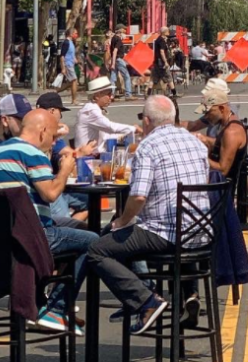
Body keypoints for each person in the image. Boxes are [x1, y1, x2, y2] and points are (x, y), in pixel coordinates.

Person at [87, 96, 211, 335]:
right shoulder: (195, 142)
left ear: (146, 120)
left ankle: (144, 300)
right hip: (201, 232)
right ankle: (164, 297)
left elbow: (139, 197)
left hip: (168, 235)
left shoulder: (149, 145)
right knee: (123, 237)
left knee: (99, 248)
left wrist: (121, 221)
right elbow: (203, 183)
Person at [0, 109, 99, 333]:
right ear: (42, 132)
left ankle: (43, 301)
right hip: (27, 237)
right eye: (53, 137)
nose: (54, 143)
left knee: (77, 229)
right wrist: (64, 170)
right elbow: (51, 194)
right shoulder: (32, 153)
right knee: (95, 242)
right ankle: (57, 306)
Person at [37, 92, 95, 223]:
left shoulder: (51, 131)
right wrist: (81, 153)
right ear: (52, 111)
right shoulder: (40, 132)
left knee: (90, 202)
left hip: (56, 186)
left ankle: (71, 229)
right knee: (69, 222)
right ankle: (65, 231)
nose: (61, 117)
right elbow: (68, 154)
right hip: (46, 190)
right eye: (60, 112)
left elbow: (67, 153)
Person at [75, 77, 141, 151]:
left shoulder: (93, 108)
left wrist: (125, 135)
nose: (111, 97)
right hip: (88, 157)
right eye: (109, 94)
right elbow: (110, 127)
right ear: (97, 96)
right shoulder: (91, 111)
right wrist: (133, 129)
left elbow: (105, 136)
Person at [196, 89, 248, 181]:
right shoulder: (223, 124)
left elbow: (223, 170)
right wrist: (204, 140)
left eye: (208, 112)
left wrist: (199, 157)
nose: (206, 116)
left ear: (222, 109)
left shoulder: (231, 131)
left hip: (221, 188)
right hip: (214, 182)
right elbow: (223, 144)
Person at [110, 24, 135, 101]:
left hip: (115, 59)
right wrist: (113, 63)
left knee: (113, 78)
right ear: (119, 30)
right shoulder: (118, 39)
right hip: (118, 60)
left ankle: (111, 95)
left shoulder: (113, 38)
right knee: (126, 76)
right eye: (123, 29)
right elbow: (115, 51)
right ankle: (128, 94)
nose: (125, 31)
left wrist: (112, 62)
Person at [55, 29, 79, 105]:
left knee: (70, 82)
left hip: (71, 64)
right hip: (68, 64)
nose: (76, 34)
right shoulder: (66, 42)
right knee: (74, 80)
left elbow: (71, 53)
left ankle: (55, 91)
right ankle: (74, 100)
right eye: (75, 33)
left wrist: (75, 59)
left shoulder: (71, 42)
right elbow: (62, 56)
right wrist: (63, 68)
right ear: (70, 34)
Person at [151, 26, 172, 95]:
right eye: (168, 31)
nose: (169, 32)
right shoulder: (162, 41)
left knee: (154, 79)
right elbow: (162, 52)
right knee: (169, 77)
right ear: (165, 32)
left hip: (156, 61)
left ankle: (147, 93)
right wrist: (165, 62)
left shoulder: (158, 39)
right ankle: (174, 93)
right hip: (161, 62)